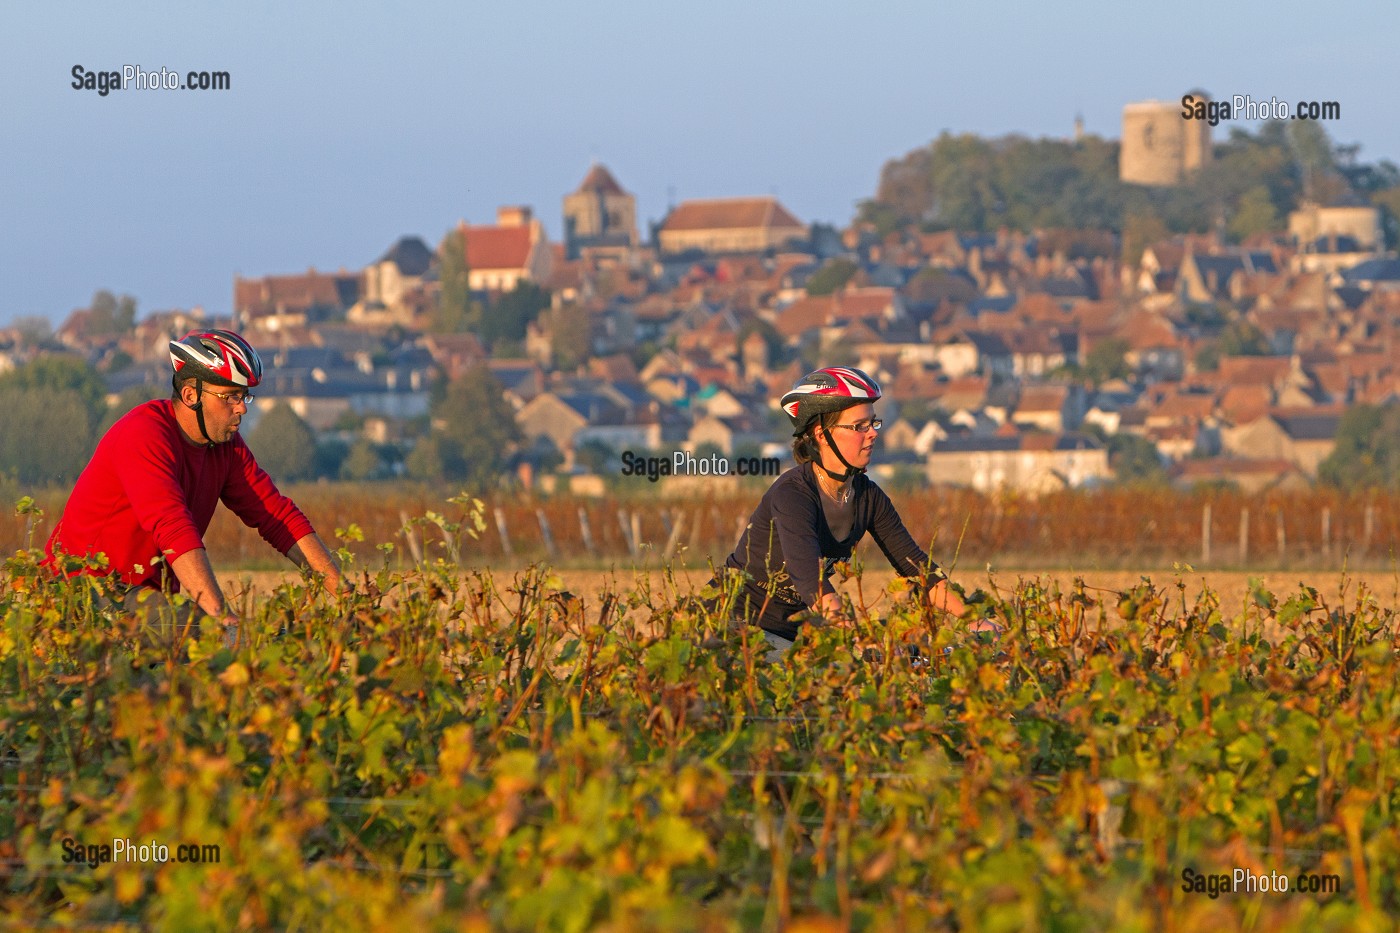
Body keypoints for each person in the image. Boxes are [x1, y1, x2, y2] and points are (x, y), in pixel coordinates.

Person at [44, 329, 343, 647]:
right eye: (230, 397)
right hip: (86, 592)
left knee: (254, 643)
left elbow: (276, 515)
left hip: (143, 596)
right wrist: (223, 622)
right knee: (206, 637)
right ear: (190, 396)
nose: (241, 408)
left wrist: (347, 595)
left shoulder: (224, 447)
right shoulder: (143, 434)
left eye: (244, 397)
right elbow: (173, 528)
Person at [708, 366, 994, 659]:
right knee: (852, 666)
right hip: (732, 627)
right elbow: (812, 584)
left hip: (793, 634)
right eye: (859, 426)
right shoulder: (793, 494)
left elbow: (918, 569)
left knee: (913, 657)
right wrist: (857, 640)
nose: (872, 434)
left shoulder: (868, 497)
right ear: (822, 434)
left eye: (873, 424)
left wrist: (974, 619)